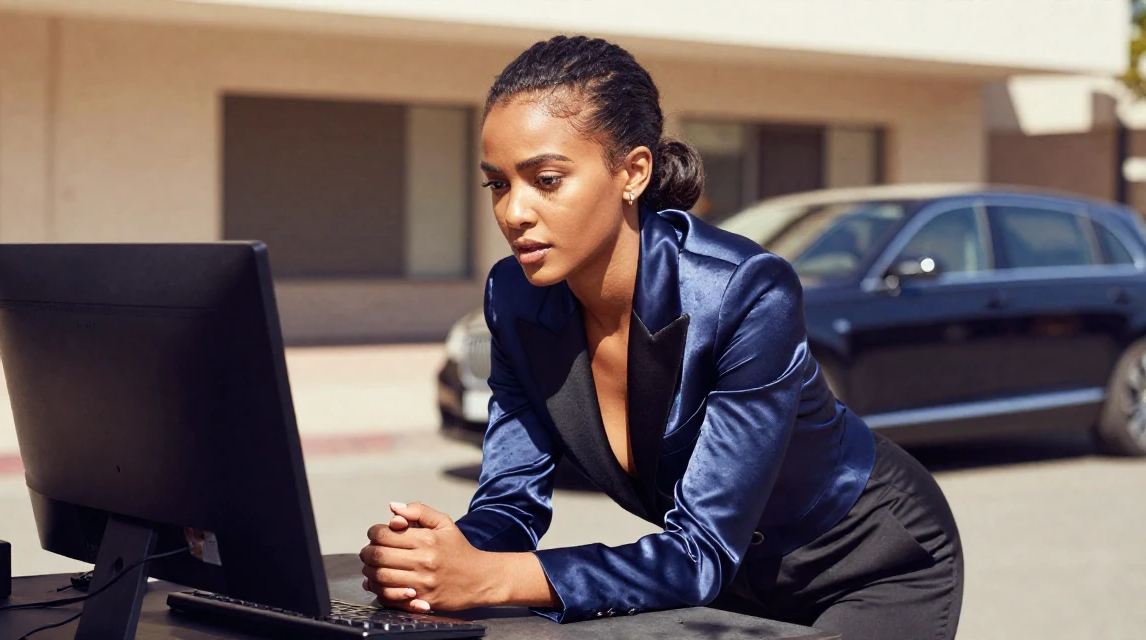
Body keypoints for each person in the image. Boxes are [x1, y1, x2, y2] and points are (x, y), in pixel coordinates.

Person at [358, 35, 963, 639]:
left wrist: (493, 579)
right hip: (723, 580)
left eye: (545, 179)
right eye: (498, 184)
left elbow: (699, 551)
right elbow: (509, 504)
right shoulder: (515, 298)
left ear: (634, 172)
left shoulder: (743, 292)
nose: (514, 212)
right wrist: (438, 559)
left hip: (867, 564)